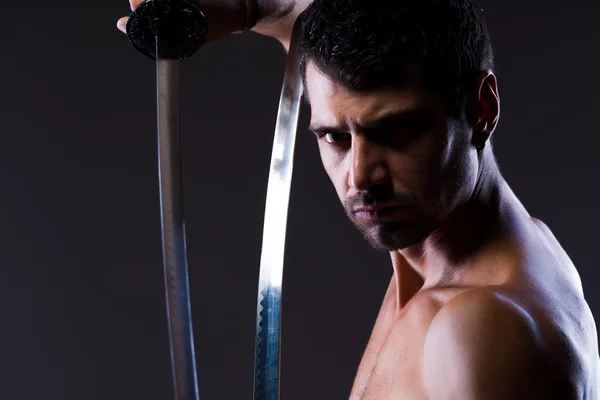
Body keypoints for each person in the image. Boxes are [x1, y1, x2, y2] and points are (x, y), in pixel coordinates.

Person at [118, 0, 600, 398]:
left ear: (481, 110)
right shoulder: (442, 261)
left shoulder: (480, 333)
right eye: (335, 138)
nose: (361, 176)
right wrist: (245, 8)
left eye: (392, 132)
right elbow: (300, 16)